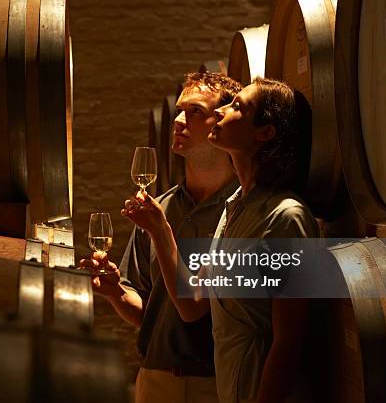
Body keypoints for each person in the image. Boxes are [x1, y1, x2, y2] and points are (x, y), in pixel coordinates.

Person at [122, 77, 318, 403]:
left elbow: (289, 341)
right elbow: (191, 305)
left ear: (264, 133)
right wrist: (159, 229)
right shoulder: (235, 208)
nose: (224, 110)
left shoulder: (286, 218)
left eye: (238, 106)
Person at [80, 72, 242, 403]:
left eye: (196, 111)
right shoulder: (164, 205)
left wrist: (161, 231)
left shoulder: (242, 210)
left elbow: (194, 309)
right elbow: (147, 310)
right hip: (154, 380)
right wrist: (116, 294)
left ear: (223, 121)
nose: (179, 121)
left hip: (215, 384)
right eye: (180, 111)